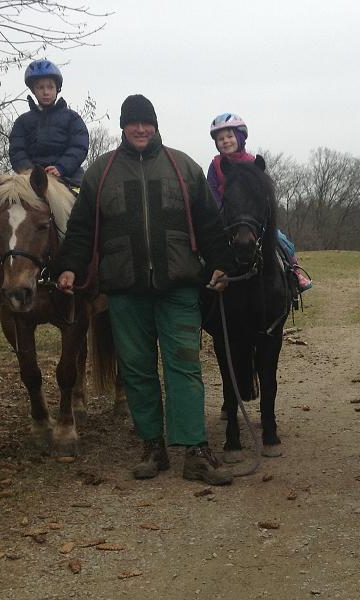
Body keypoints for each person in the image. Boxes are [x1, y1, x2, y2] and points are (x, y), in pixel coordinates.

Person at [55, 94, 235, 484]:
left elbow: (208, 221)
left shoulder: (182, 166)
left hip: (179, 288)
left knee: (184, 367)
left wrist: (221, 262)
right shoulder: (101, 172)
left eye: (146, 122)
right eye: (133, 122)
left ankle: (195, 450)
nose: (140, 128)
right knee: (137, 371)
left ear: (155, 125)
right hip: (125, 290)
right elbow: (83, 227)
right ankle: (152, 447)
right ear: (123, 126)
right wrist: (69, 267)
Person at [0, 59, 89, 254]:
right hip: (30, 178)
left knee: (87, 202)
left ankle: (92, 243)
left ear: (57, 89)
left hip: (67, 176)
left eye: (50, 87)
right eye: (41, 87)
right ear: (33, 90)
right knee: (0, 195)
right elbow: (17, 150)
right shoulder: (23, 122)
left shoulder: (72, 118)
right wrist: (28, 170)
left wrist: (61, 167)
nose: (46, 91)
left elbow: (79, 146)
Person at [207, 112, 312, 291]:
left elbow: (262, 193)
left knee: (281, 240)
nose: (225, 141)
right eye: (220, 139)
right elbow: (211, 191)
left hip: (252, 218)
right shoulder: (216, 165)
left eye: (229, 136)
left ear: (240, 137)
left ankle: (293, 271)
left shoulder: (253, 162)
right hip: (226, 216)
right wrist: (218, 211)